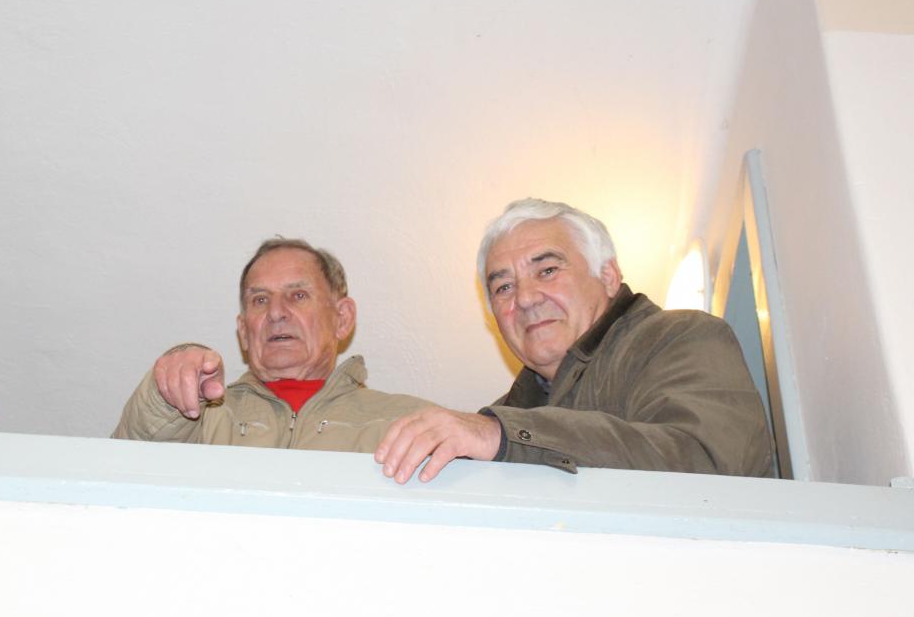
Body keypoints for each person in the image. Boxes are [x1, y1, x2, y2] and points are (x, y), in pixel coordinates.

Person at [376, 198, 773, 482]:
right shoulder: (503, 415)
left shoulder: (679, 337)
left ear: (608, 276)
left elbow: (707, 464)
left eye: (547, 270)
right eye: (503, 287)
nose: (525, 298)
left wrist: (505, 435)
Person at [113, 238, 429, 451]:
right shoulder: (200, 421)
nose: (276, 312)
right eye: (260, 299)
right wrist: (173, 381)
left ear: (342, 318)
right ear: (243, 331)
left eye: (298, 295)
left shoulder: (411, 423)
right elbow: (129, 461)